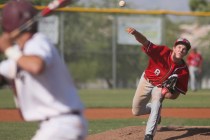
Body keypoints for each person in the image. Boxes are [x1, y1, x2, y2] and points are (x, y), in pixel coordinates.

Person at [0, 0, 87, 140]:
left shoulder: (37, 42)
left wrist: (8, 49)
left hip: (62, 125)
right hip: (57, 127)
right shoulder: (19, 55)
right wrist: (9, 50)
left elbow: (36, 66)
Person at [126, 27, 190, 140]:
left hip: (160, 87)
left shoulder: (183, 71)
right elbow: (145, 42)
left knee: (157, 104)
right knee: (136, 111)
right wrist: (135, 33)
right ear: (174, 48)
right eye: (179, 47)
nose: (181, 50)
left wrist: (167, 92)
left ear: (186, 53)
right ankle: (152, 111)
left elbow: (175, 96)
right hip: (146, 80)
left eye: (184, 49)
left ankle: (149, 135)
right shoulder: (162, 52)